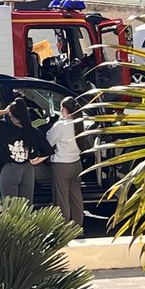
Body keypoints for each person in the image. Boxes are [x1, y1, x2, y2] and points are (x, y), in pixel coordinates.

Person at [0, 98, 52, 202]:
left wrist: (5, 110)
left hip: (10, 169)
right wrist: (35, 161)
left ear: (12, 116)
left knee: (10, 207)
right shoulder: (34, 132)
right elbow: (47, 151)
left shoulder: (5, 128)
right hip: (28, 169)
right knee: (27, 205)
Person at [47, 97, 85, 228]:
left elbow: (48, 142)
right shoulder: (79, 122)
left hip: (61, 165)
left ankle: (63, 228)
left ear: (64, 109)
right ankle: (77, 226)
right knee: (76, 197)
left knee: (62, 199)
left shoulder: (60, 126)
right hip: (76, 163)